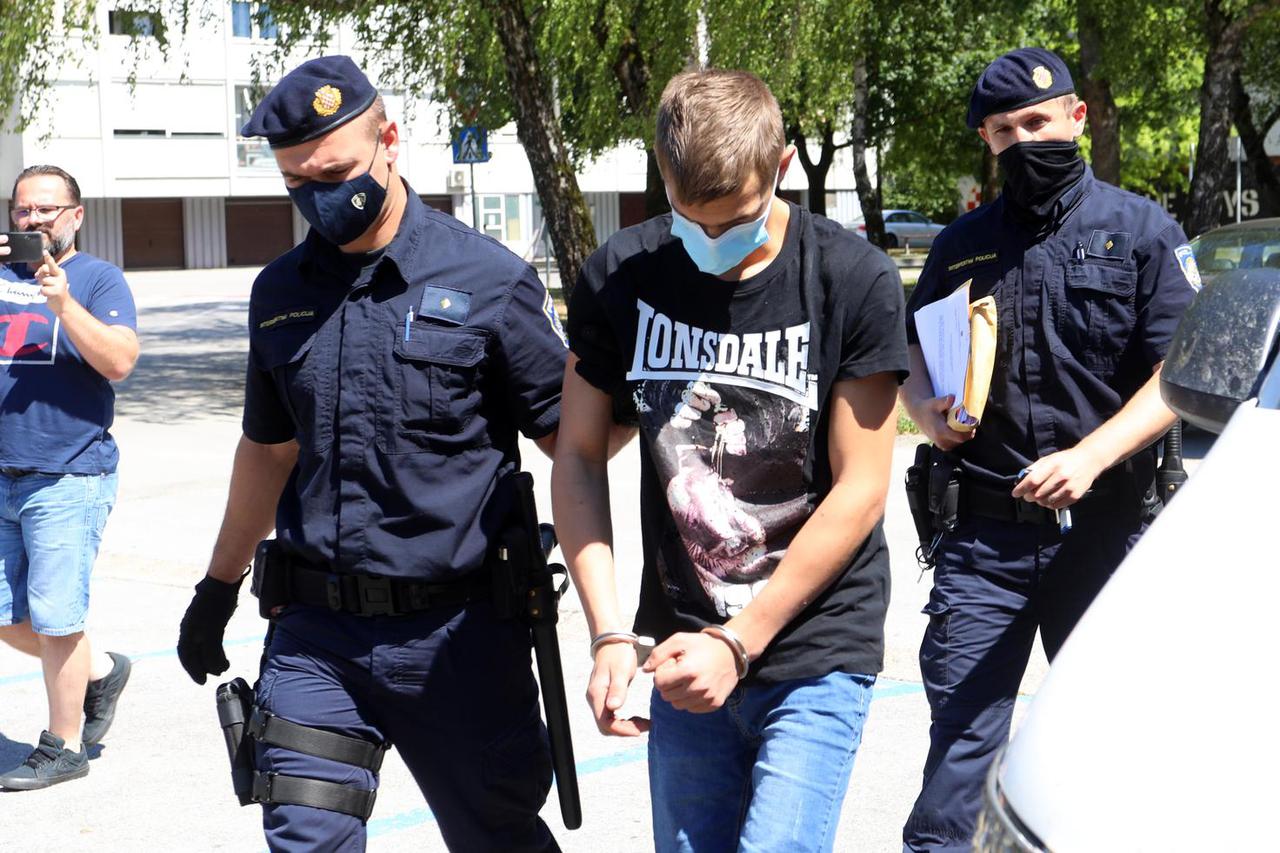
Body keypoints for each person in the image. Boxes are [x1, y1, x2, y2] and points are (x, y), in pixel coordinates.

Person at [174, 56, 573, 851]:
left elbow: (576, 441)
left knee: (498, 837)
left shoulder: (489, 279)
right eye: (295, 181)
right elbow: (268, 451)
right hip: (315, 638)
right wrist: (217, 586)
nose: (317, 195)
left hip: (457, 638)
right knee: (307, 838)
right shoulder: (280, 292)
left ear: (389, 141)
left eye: (334, 173)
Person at [553, 69, 907, 852]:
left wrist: (740, 641)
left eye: (737, 220)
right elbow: (576, 455)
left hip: (815, 645)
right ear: (662, 170)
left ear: (782, 166)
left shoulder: (852, 278)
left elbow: (861, 488)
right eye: (692, 220)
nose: (712, 243)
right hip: (684, 648)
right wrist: (608, 632)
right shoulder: (620, 275)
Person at [898, 48, 1199, 850]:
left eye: (1037, 121)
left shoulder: (1143, 231)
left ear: (1076, 117)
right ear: (987, 142)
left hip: (1105, 530)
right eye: (1004, 130)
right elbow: (913, 347)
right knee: (958, 759)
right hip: (983, 542)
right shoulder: (961, 243)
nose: (1024, 140)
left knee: (1108, 752)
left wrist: (1092, 456)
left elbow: (1180, 374)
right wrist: (925, 410)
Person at [0, 165, 138, 790]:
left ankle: (64, 746)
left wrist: (63, 303)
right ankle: (101, 670)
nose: (32, 220)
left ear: (75, 216)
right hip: (3, 471)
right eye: (22, 209)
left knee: (56, 618)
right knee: (9, 618)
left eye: (45, 210)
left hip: (68, 473)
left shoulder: (97, 278)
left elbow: (120, 360)